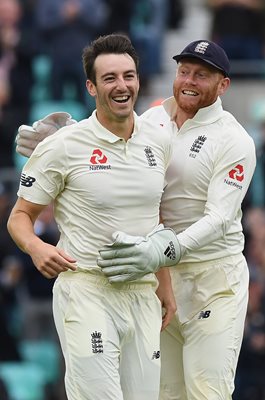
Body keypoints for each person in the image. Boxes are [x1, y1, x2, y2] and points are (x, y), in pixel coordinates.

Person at [15, 39, 256, 399]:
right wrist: (63, 139)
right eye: (184, 71)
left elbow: (219, 218)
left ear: (223, 85)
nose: (189, 80)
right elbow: (116, 139)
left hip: (211, 278)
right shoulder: (154, 120)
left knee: (208, 392)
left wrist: (161, 252)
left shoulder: (234, 139)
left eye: (202, 75)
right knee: (167, 394)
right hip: (154, 277)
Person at [7, 34, 176, 400]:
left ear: (138, 81)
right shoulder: (63, 145)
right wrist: (36, 247)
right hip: (87, 290)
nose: (122, 85)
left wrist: (164, 283)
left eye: (128, 76)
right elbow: (20, 215)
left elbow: (153, 218)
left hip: (143, 293)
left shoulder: (158, 141)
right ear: (91, 86)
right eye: (110, 78)